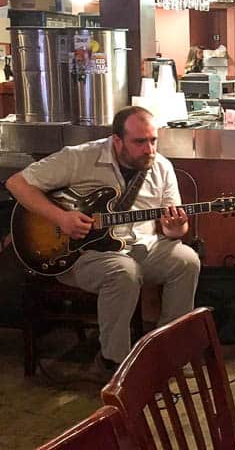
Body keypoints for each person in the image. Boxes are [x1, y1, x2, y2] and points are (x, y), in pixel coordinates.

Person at [6, 106, 200, 378]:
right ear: (117, 141)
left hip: (140, 245)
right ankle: (113, 365)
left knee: (187, 260)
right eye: (140, 142)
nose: (149, 150)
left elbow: (173, 228)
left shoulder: (161, 167)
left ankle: (170, 351)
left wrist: (176, 227)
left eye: (153, 140)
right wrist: (61, 218)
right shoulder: (80, 157)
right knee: (123, 272)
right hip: (82, 254)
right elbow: (17, 183)